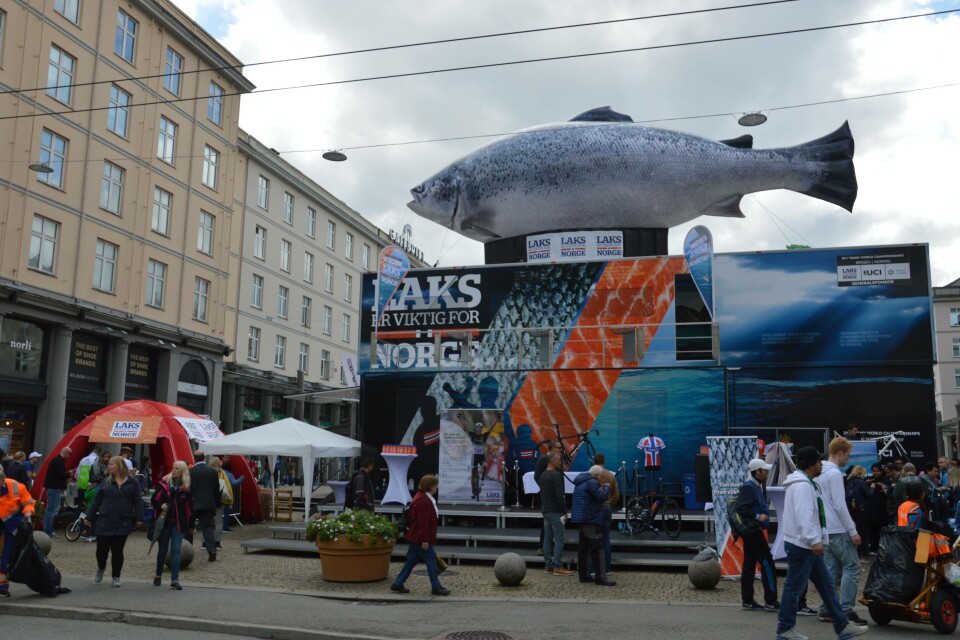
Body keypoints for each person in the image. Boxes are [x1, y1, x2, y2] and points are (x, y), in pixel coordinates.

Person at [776, 446, 868, 640]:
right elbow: (805, 516)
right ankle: (785, 629)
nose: (821, 464)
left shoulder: (804, 482)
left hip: (804, 544)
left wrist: (816, 540)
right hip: (802, 545)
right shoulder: (802, 485)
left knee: (826, 584)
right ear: (811, 464)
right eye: (818, 461)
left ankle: (842, 626)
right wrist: (815, 540)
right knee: (794, 588)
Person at [818, 437, 866, 626]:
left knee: (831, 570)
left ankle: (826, 608)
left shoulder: (820, 473)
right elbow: (839, 505)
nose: (848, 459)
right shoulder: (835, 474)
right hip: (839, 527)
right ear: (840, 453)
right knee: (851, 567)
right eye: (847, 455)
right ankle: (846, 609)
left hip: (826, 529)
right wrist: (852, 530)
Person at [84, 456, 144, 587]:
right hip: (105, 520)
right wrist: (89, 516)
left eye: (112, 464)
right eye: (109, 464)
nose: (109, 466)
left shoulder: (132, 482)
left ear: (119, 466)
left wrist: (139, 517)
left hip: (123, 521)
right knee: (101, 550)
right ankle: (101, 567)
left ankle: (116, 576)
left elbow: (138, 500)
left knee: (117, 551)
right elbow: (97, 501)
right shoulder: (105, 482)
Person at [390, 474, 450, 596]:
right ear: (431, 486)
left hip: (414, 535)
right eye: (435, 485)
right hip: (419, 537)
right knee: (431, 560)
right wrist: (425, 540)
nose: (436, 487)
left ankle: (398, 583)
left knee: (411, 561)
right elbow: (423, 523)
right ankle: (436, 586)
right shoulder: (424, 501)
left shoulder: (420, 497)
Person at [736, 458, 778, 612]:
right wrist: (757, 517)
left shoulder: (754, 485)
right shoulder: (749, 487)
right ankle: (771, 601)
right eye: (764, 470)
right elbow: (741, 509)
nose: (767, 472)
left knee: (749, 565)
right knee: (767, 564)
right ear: (757, 471)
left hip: (751, 532)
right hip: (754, 531)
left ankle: (747, 601)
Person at [151, 460, 193, 590]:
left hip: (178, 524)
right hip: (164, 523)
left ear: (182, 472)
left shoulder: (185, 488)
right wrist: (160, 505)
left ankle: (175, 579)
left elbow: (189, 508)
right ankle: (158, 574)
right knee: (163, 550)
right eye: (173, 468)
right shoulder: (164, 484)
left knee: (176, 550)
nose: (173, 470)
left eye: (177, 469)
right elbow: (154, 499)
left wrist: (191, 525)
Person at [571, 464, 614, 586]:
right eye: (601, 477)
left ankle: (584, 575)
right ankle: (601, 577)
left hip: (581, 518)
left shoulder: (581, 480)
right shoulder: (592, 482)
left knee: (584, 548)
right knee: (598, 548)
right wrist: (607, 487)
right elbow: (601, 497)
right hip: (591, 518)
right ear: (597, 475)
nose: (602, 479)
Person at [0, 465, 36, 597]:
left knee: (7, 554)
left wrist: (27, 512)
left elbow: (28, 502)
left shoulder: (16, 486)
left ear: (2, 477)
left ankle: (2, 587)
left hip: (13, 524)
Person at [539, 452, 573, 576]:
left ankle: (548, 565)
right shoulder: (555, 475)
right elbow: (559, 496)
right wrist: (565, 512)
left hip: (545, 510)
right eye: (558, 460)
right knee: (559, 538)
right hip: (555, 511)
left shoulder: (543, 475)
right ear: (552, 461)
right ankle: (558, 566)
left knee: (547, 538)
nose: (560, 462)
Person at [189, 450, 220, 561]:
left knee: (189, 528)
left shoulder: (191, 472)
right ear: (204, 458)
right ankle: (212, 550)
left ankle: (187, 551)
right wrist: (215, 504)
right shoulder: (212, 472)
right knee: (207, 528)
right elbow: (216, 490)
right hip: (207, 504)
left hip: (193, 504)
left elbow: (188, 490)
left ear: (195, 458)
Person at [534, 440, 563, 554]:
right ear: (551, 449)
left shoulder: (557, 460)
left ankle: (549, 547)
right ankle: (543, 547)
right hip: (549, 496)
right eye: (558, 448)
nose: (561, 450)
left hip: (556, 494)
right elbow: (537, 476)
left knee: (552, 522)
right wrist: (545, 488)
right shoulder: (544, 460)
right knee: (548, 522)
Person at [593, 452, 619, 576]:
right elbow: (617, 495)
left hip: (595, 508)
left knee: (594, 538)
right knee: (606, 537)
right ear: (604, 461)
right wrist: (610, 503)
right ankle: (607, 568)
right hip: (607, 506)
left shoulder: (592, 475)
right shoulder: (610, 475)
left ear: (594, 461)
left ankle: (594, 568)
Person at [43, 446, 72, 537]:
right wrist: (69, 473)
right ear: (66, 452)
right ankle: (48, 531)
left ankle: (48, 530)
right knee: (52, 511)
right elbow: (60, 475)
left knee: (50, 510)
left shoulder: (57, 460)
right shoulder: (58, 461)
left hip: (53, 488)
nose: (69, 456)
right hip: (54, 488)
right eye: (69, 454)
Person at [845, 465, 871, 560]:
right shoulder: (861, 482)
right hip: (861, 510)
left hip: (851, 510)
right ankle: (864, 554)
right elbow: (869, 494)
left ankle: (856, 553)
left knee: (853, 531)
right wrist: (872, 487)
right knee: (862, 532)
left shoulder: (848, 482)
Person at [208, 456, 231, 550]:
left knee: (207, 522)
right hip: (219, 500)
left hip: (208, 500)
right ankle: (217, 542)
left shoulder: (206, 472)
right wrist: (230, 500)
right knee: (218, 522)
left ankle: (205, 543)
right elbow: (228, 486)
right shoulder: (222, 473)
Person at [221, 456, 243, 531]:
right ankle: (225, 527)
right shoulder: (229, 474)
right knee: (226, 512)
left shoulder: (219, 472)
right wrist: (242, 477)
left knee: (218, 512)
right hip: (226, 495)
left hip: (218, 495)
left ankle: (218, 527)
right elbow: (235, 482)